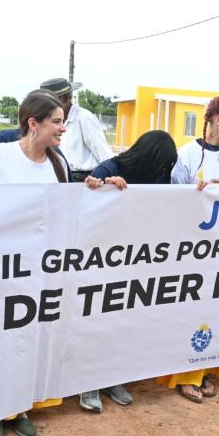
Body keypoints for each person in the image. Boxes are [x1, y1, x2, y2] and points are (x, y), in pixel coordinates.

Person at [0, 90, 68, 436]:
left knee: (25, 340)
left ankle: (18, 406)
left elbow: (64, 211)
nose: (62, 128)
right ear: (33, 123)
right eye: (56, 121)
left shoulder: (59, 163)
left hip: (37, 269)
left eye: (63, 121)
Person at [78, 130, 178, 412]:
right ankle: (87, 381)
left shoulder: (160, 176)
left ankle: (113, 377)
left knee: (123, 322)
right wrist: (103, 186)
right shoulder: (111, 168)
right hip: (102, 256)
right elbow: (88, 198)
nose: (165, 170)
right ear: (150, 156)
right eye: (163, 163)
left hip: (137, 260)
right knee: (95, 319)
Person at [162, 95, 219, 400]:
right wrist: (197, 192)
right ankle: (187, 373)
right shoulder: (187, 154)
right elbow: (173, 198)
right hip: (195, 247)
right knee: (192, 307)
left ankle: (210, 368)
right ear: (216, 120)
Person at [40, 78, 112, 182]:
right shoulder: (48, 120)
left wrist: (109, 178)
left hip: (84, 180)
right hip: (60, 177)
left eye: (49, 102)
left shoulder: (84, 118)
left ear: (64, 99)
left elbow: (103, 154)